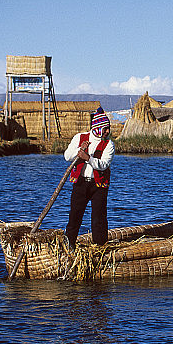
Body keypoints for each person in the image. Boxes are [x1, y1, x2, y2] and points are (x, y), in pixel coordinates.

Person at [64, 106, 115, 250]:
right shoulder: (80, 137)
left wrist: (87, 158)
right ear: (97, 127)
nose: (107, 131)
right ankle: (69, 246)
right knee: (75, 215)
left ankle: (100, 247)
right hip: (80, 183)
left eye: (108, 128)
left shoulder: (109, 144)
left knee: (99, 217)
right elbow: (67, 156)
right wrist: (79, 151)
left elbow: (103, 165)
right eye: (105, 128)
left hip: (98, 185)